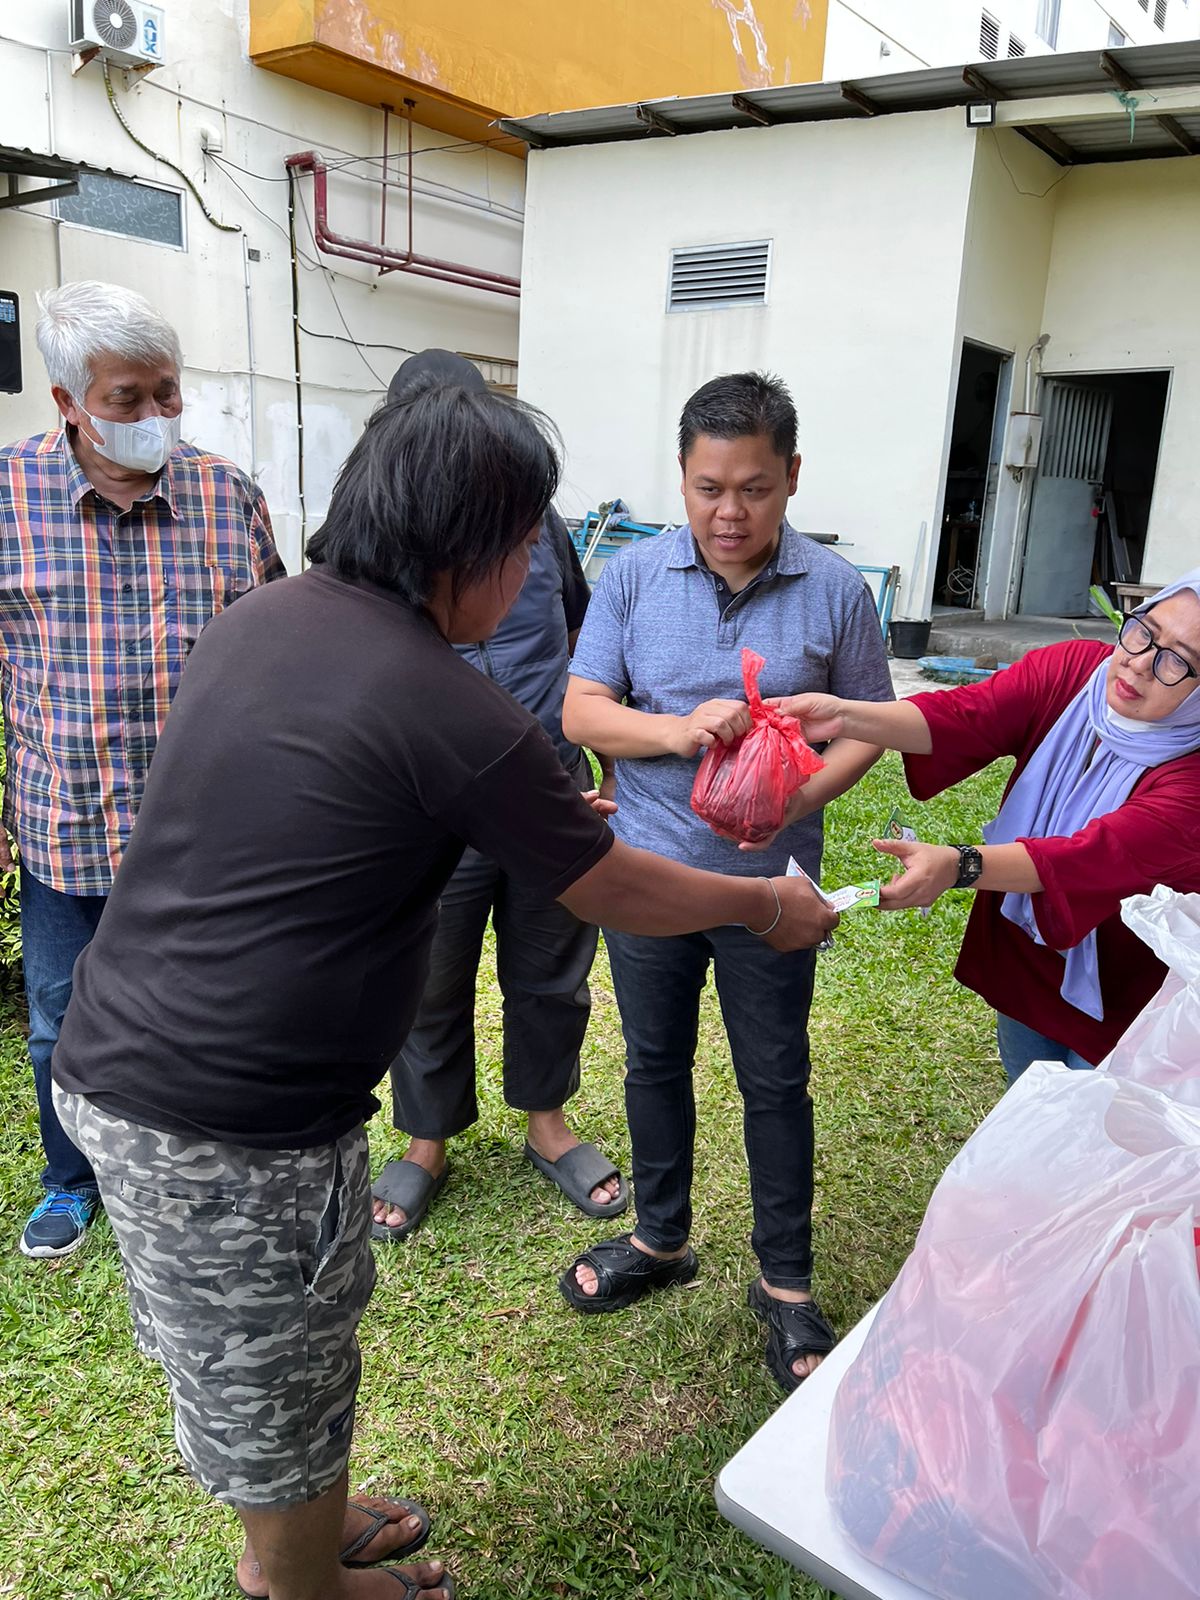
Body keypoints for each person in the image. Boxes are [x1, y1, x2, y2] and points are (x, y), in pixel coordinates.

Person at [49, 381, 837, 1600]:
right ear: (464, 543)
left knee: (260, 1355)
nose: (529, 573)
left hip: (118, 1061)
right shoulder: (449, 703)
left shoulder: (262, 618)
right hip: (227, 1120)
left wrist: (522, 811)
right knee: (278, 1363)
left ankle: (308, 1517)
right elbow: (612, 889)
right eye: (523, 546)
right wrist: (758, 900)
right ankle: (297, 1580)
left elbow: (323, 798)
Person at [558, 371, 894, 1392]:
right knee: (653, 1063)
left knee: (774, 1075)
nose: (729, 512)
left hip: (774, 891)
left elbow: (866, 728)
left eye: (753, 487)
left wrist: (793, 801)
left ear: (791, 476)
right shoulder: (630, 577)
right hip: (650, 879)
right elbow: (582, 712)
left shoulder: (834, 590)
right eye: (709, 488)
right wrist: (679, 728)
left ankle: (785, 1281)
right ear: (683, 476)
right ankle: (661, 1239)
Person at [0, 279, 284, 1259]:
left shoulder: (225, 495)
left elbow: (276, 649)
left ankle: (199, 1166)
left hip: (204, 831)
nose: (157, 416)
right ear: (68, 403)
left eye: (168, 391)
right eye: (129, 398)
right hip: (65, 817)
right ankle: (72, 1179)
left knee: (209, 1010)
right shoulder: (6, 498)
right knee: (58, 1017)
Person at [372, 349, 624, 1242]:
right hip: (433, 800)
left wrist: (603, 754)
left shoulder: (541, 524)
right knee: (427, 973)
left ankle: (546, 1123)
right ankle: (426, 1135)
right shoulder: (380, 539)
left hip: (547, 778)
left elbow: (584, 634)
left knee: (553, 966)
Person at [778, 568, 1200, 1080]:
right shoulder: (1076, 673)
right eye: (1143, 632)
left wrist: (959, 865)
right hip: (1029, 941)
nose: (1139, 665)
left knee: (1095, 1138)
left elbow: (1094, 856)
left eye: (1178, 661)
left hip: (1132, 981)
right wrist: (843, 716)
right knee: (1025, 1107)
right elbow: (968, 714)